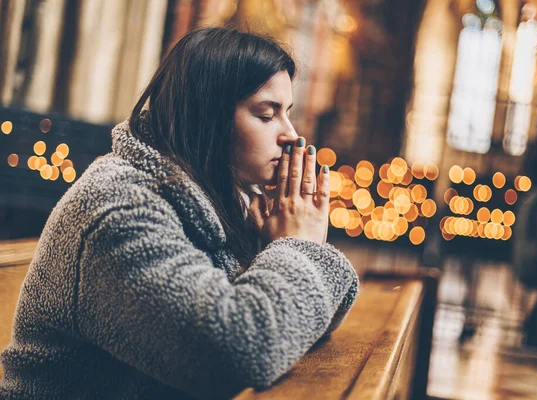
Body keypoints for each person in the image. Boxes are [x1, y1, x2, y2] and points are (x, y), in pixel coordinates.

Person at [0, 27, 359, 399]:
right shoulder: (118, 209)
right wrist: (296, 247)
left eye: (287, 113)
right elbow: (236, 355)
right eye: (266, 116)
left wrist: (279, 247)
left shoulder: (223, 198)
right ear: (208, 117)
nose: (290, 134)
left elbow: (313, 320)